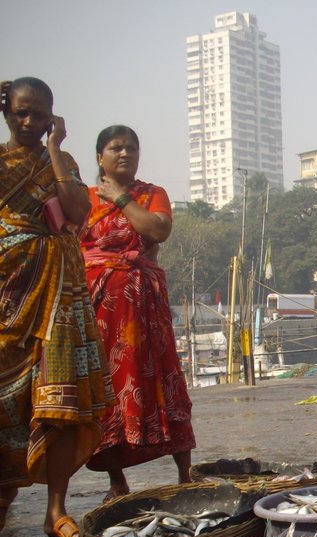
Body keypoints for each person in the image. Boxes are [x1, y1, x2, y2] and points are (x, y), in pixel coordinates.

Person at [0, 77, 112, 537]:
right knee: (6, 403)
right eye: (21, 112)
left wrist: (54, 149)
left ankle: (56, 510)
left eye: (39, 115)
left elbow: (77, 211)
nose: (29, 121)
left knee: (62, 402)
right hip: (9, 292)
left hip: (61, 294)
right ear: (7, 112)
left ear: (52, 118)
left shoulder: (61, 162)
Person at [79, 125, 196, 500]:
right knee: (107, 387)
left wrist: (121, 197)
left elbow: (156, 230)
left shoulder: (151, 194)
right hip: (101, 307)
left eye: (131, 148)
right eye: (116, 148)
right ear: (100, 157)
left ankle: (186, 472)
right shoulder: (83, 199)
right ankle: (116, 480)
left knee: (164, 377)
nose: (125, 153)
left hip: (145, 306)